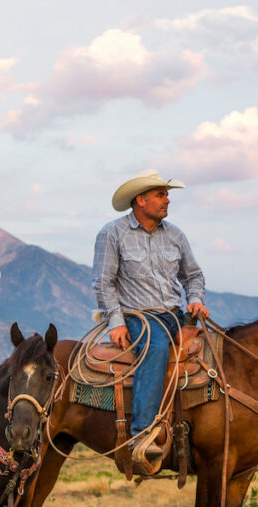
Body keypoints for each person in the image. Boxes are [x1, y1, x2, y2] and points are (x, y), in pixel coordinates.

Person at [93, 169, 209, 474]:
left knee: (213, 350)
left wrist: (195, 298)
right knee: (156, 349)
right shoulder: (113, 233)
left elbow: (193, 275)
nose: (167, 200)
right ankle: (142, 435)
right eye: (161, 194)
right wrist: (115, 323)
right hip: (139, 317)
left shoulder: (175, 235)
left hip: (175, 315)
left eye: (166, 194)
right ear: (140, 200)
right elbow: (103, 282)